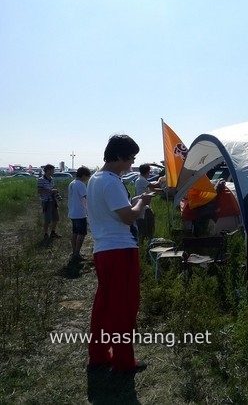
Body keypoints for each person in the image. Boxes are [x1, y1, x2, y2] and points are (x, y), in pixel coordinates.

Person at [86, 134, 155, 374]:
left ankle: (98, 354)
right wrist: (143, 203)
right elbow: (127, 217)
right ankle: (124, 361)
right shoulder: (112, 182)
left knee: (105, 305)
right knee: (124, 307)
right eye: (130, 158)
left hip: (103, 250)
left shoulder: (95, 179)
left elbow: (114, 209)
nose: (132, 163)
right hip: (120, 249)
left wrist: (135, 200)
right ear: (118, 156)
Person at [133, 163, 163, 243]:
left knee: (147, 225)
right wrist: (161, 179)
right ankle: (146, 241)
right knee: (146, 226)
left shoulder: (141, 179)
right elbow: (155, 185)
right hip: (143, 206)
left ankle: (147, 241)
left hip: (144, 206)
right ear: (148, 172)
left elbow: (151, 189)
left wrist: (163, 191)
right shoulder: (141, 180)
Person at [67, 166, 92, 262]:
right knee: (81, 234)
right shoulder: (80, 184)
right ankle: (77, 253)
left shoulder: (72, 183)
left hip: (73, 212)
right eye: (87, 176)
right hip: (80, 213)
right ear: (83, 175)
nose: (87, 179)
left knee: (75, 233)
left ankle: (74, 252)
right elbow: (87, 197)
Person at [38, 164, 61, 239]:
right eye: (52, 170)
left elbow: (53, 188)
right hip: (46, 201)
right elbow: (39, 191)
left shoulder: (51, 179)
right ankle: (45, 234)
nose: (53, 172)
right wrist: (51, 191)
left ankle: (53, 232)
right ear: (48, 170)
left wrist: (56, 193)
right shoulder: (41, 179)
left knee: (56, 218)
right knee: (47, 219)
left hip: (53, 201)